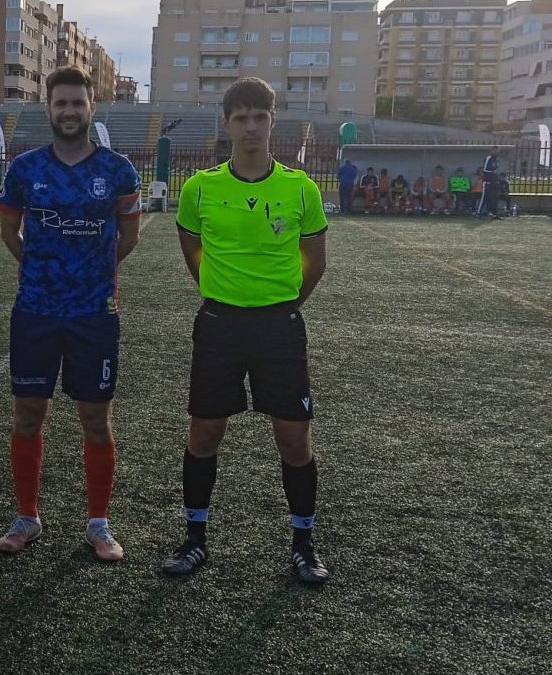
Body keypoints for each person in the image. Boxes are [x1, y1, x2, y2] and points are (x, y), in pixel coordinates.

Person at [164, 77, 329, 585]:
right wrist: (225, 293)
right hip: (219, 325)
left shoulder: (300, 187)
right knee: (205, 432)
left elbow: (314, 263)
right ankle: (195, 539)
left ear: (272, 121)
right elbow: (193, 252)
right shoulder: (200, 188)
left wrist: (279, 305)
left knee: (293, 440)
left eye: (260, 116)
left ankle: (304, 544)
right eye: (242, 118)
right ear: (227, 123)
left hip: (280, 326)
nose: (251, 127)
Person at [0, 66, 141, 562]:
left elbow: (130, 238)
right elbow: (8, 234)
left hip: (94, 315)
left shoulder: (118, 171)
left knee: (96, 419)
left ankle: (98, 524)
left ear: (91, 108)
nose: (70, 111)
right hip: (35, 311)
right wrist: (44, 270)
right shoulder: (25, 170)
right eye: (61, 103)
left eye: (78, 103)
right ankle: (26, 517)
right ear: (49, 109)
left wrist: (93, 272)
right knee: (27, 414)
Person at [478, 146, 501, 219]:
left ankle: (494, 214)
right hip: (488, 181)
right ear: (491, 151)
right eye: (495, 151)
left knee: (495, 198)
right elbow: (485, 170)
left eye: (498, 151)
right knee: (484, 198)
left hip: (494, 182)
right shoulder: (489, 158)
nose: (496, 152)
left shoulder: (496, 159)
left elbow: (497, 170)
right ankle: (478, 212)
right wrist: (492, 172)